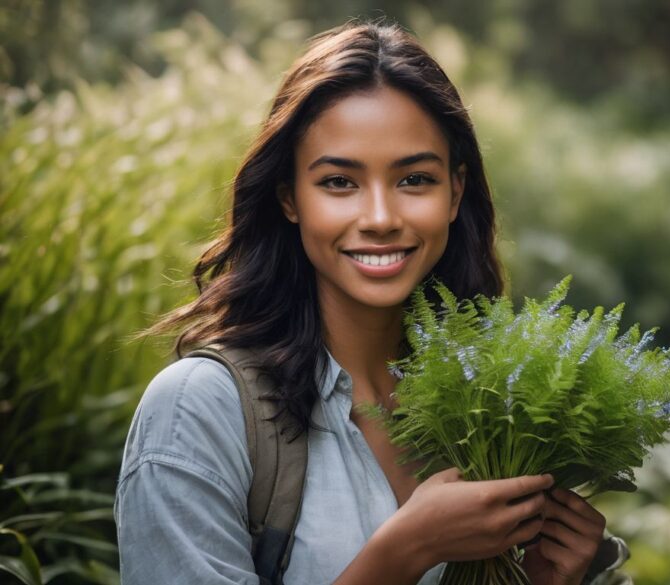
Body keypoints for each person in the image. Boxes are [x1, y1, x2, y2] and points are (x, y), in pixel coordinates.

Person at [115, 20, 624, 585]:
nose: (380, 218)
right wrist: (404, 552)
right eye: (339, 182)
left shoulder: (499, 410)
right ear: (289, 198)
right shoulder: (199, 413)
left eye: (414, 180)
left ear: (455, 192)